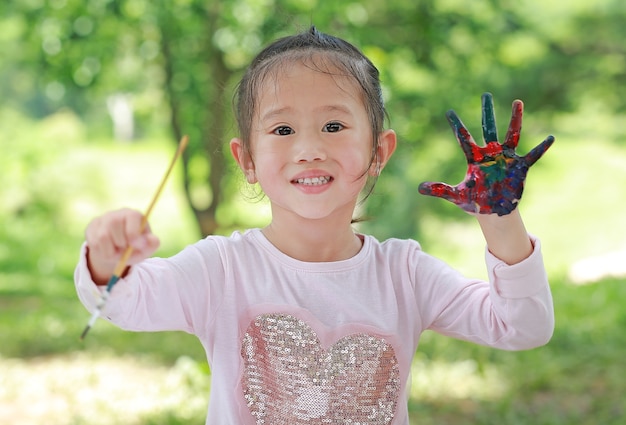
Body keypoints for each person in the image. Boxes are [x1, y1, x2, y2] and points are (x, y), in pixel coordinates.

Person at [75, 26, 555, 425]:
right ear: (247, 160)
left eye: (333, 126)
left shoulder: (403, 273)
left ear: (378, 153)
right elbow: (124, 302)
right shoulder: (221, 269)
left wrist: (501, 216)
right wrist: (104, 255)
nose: (309, 148)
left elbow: (523, 326)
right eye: (282, 130)